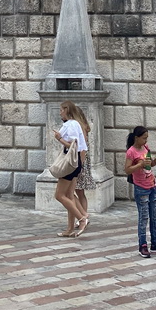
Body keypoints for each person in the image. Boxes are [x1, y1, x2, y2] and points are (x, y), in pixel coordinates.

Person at [124, 126, 156, 258]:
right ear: (136, 138)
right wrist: (139, 165)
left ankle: (155, 243)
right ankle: (142, 245)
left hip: (152, 185)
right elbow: (127, 170)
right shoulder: (131, 152)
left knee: (154, 216)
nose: (145, 140)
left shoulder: (146, 148)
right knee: (143, 217)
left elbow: (149, 166)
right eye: (144, 138)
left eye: (147, 138)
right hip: (141, 187)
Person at [52, 101, 89, 238]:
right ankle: (69, 229)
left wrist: (59, 138)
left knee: (59, 195)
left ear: (67, 110)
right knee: (68, 195)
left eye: (61, 110)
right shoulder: (73, 124)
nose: (60, 112)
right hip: (75, 163)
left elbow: (73, 144)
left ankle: (82, 218)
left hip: (71, 163)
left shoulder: (72, 124)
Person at [73, 105, 95, 222]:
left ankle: (83, 215)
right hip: (82, 161)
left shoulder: (80, 127)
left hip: (80, 161)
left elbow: (83, 147)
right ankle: (82, 215)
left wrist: (79, 164)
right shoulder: (83, 126)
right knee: (79, 191)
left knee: (74, 191)